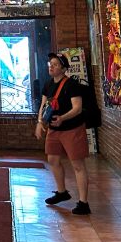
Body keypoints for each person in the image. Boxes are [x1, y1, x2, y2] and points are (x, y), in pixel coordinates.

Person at [35, 52, 91, 215]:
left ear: (64, 68)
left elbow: (77, 108)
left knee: (77, 164)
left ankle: (83, 202)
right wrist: (40, 123)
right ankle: (62, 192)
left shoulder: (71, 85)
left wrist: (62, 118)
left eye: (55, 64)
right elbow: (43, 105)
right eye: (50, 64)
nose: (51, 67)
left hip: (72, 129)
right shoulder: (48, 84)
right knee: (52, 159)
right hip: (54, 129)